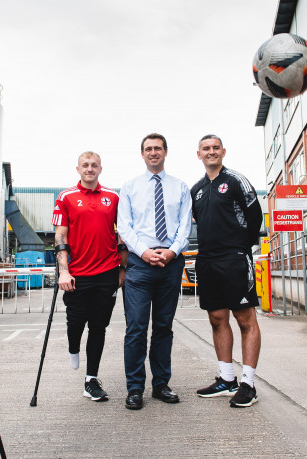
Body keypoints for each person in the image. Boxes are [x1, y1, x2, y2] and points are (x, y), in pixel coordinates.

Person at [117, 133, 192, 410]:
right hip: (140, 263)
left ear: (165, 152)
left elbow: (185, 226)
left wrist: (171, 251)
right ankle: (134, 388)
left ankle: (161, 384)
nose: (153, 153)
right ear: (142, 154)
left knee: (163, 327)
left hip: (171, 263)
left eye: (157, 148)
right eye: (148, 149)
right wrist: (144, 252)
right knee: (136, 328)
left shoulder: (180, 187)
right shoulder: (130, 187)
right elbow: (125, 227)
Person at [191, 135, 264, 407]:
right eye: (205, 149)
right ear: (198, 154)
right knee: (217, 318)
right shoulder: (196, 189)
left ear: (223, 151)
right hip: (207, 260)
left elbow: (255, 217)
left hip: (235, 258)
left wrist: (242, 248)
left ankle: (248, 384)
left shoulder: (236, 180)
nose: (211, 152)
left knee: (245, 319)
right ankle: (226, 379)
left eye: (215, 148)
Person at [51, 151, 126, 402]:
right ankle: (74, 349)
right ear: (78, 169)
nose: (90, 169)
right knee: (76, 323)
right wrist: (64, 271)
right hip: (77, 274)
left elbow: (122, 235)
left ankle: (91, 379)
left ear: (101, 169)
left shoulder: (113, 197)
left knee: (98, 327)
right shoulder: (66, 197)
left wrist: (122, 269)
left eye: (94, 165)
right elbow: (60, 237)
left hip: (107, 273)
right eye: (86, 165)